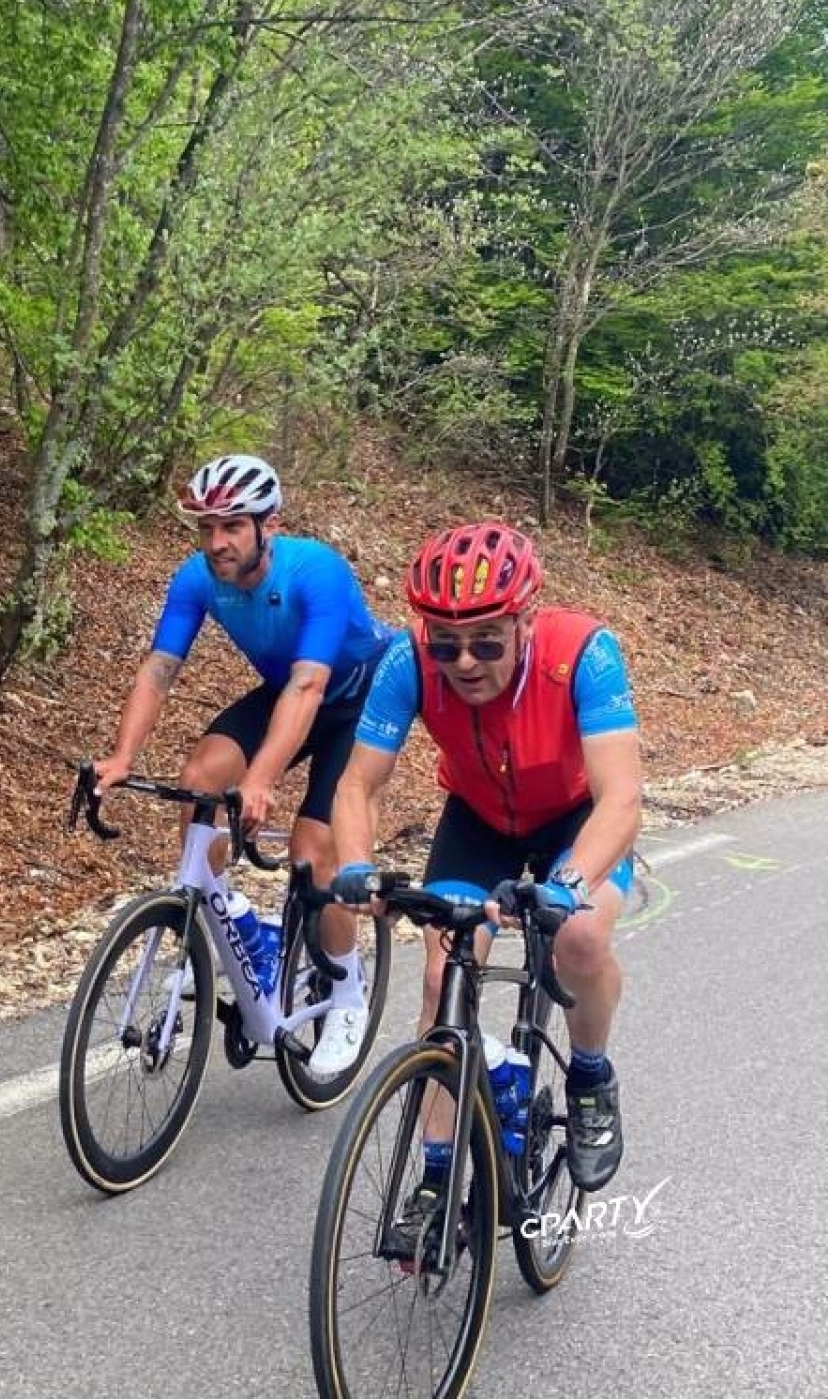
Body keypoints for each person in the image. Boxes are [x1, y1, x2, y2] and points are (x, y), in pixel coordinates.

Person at [330, 520, 639, 1222]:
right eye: (446, 643)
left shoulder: (583, 653)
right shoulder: (407, 661)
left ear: (525, 620)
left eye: (486, 642)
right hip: (479, 821)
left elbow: (621, 798)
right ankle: (437, 1180)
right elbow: (357, 784)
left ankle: (590, 1078)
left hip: (575, 820)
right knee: (441, 978)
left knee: (578, 939)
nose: (464, 662)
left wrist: (566, 887)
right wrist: (355, 867)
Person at [90, 453, 396, 1078]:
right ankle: (234, 917)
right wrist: (122, 757)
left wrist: (260, 779)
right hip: (288, 691)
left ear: (268, 524)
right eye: (206, 528)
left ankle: (346, 991)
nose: (216, 543)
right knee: (199, 781)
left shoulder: (317, 572)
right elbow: (159, 670)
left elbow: (310, 686)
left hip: (356, 701)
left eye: (231, 526)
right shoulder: (197, 579)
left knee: (315, 854)